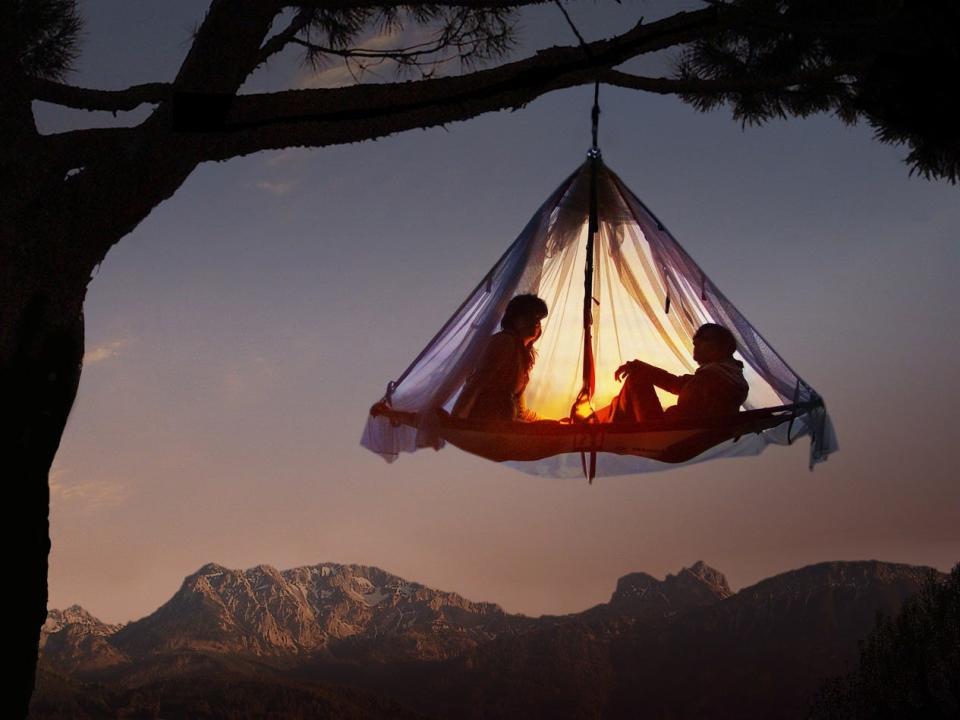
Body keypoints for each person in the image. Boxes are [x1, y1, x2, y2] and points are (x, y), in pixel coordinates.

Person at [600, 323, 749, 422]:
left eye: (702, 340)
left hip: (665, 432)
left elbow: (695, 412)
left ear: (718, 347)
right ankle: (596, 420)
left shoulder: (715, 378)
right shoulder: (724, 375)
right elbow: (676, 383)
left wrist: (638, 369)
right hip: (674, 431)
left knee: (635, 380)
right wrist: (638, 366)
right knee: (619, 399)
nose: (695, 343)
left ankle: (598, 425)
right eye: (695, 340)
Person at [452, 294, 549, 422]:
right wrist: (456, 419)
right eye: (530, 316)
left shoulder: (521, 352)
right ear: (515, 319)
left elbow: (520, 409)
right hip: (486, 424)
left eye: (538, 319)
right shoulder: (504, 342)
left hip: (504, 424)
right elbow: (476, 382)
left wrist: (548, 423)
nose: (535, 323)